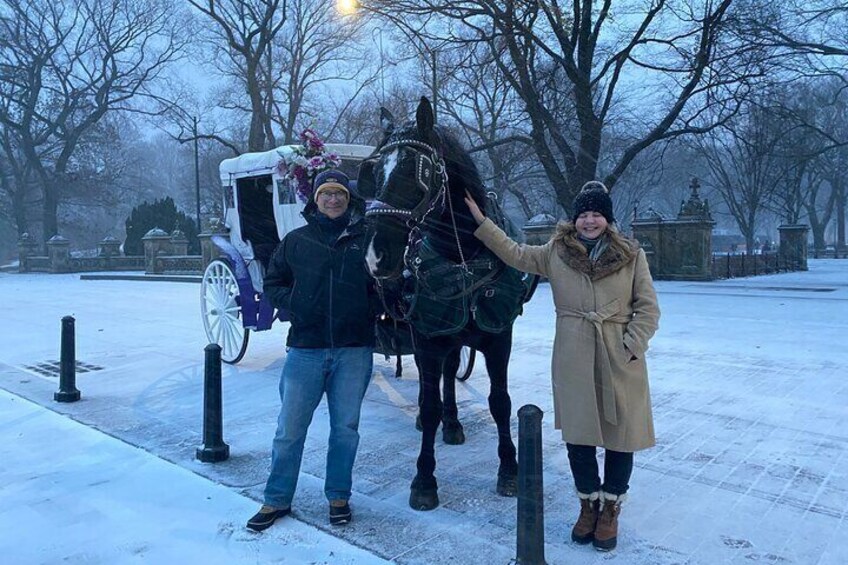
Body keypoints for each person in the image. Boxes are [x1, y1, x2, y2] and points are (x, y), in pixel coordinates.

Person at [464, 181, 660, 552]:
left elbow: (648, 306)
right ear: (574, 219)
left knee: (622, 436)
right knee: (580, 435)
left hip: (619, 354)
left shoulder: (632, 255)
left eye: (596, 214)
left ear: (608, 218)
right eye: (583, 214)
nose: (589, 221)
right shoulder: (556, 252)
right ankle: (588, 505)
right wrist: (480, 219)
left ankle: (611, 508)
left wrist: (631, 345)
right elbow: (514, 252)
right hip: (574, 353)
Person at [247, 169, 376, 531]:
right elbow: (273, 282)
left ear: (348, 200)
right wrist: (297, 303)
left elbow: (385, 281)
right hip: (306, 350)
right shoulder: (295, 241)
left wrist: (373, 306)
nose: (333, 200)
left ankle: (338, 496)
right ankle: (276, 499)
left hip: (353, 349)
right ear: (315, 199)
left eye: (340, 194)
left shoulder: (365, 239)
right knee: (289, 428)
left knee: (346, 429)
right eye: (326, 194)